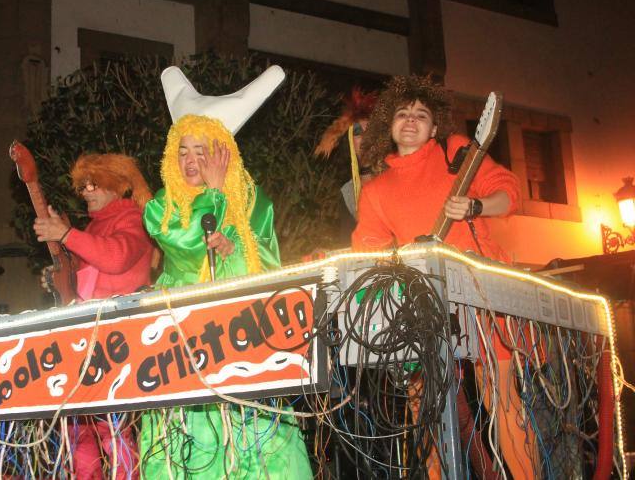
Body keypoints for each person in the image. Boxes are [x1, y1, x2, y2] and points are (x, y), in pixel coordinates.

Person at [351, 75, 536, 479]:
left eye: (422, 114)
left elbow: (509, 191)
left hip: (483, 293)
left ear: (435, 127)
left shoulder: (456, 153)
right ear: (390, 126)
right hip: (423, 302)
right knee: (429, 410)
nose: (412, 120)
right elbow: (368, 247)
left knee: (503, 402)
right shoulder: (376, 190)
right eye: (403, 113)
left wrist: (475, 205)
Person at [138, 65, 313, 479]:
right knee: (191, 446)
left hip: (244, 340)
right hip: (183, 344)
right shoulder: (162, 207)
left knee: (261, 444)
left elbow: (269, 270)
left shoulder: (256, 202)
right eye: (183, 150)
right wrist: (215, 197)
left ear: (223, 153)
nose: (191, 160)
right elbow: (187, 250)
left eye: (202, 151)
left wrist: (234, 250)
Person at [34, 152, 154, 480]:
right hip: (85, 343)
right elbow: (80, 282)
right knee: (78, 431)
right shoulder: (93, 227)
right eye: (83, 185)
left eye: (94, 184)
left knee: (114, 430)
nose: (86, 191)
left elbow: (116, 258)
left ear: (116, 187)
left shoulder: (133, 218)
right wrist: (58, 275)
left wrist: (67, 235)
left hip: (117, 341)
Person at [315, 87, 378, 244]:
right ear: (349, 142)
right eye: (357, 133)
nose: (365, 138)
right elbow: (347, 243)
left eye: (370, 131)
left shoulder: (396, 176)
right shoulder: (348, 191)